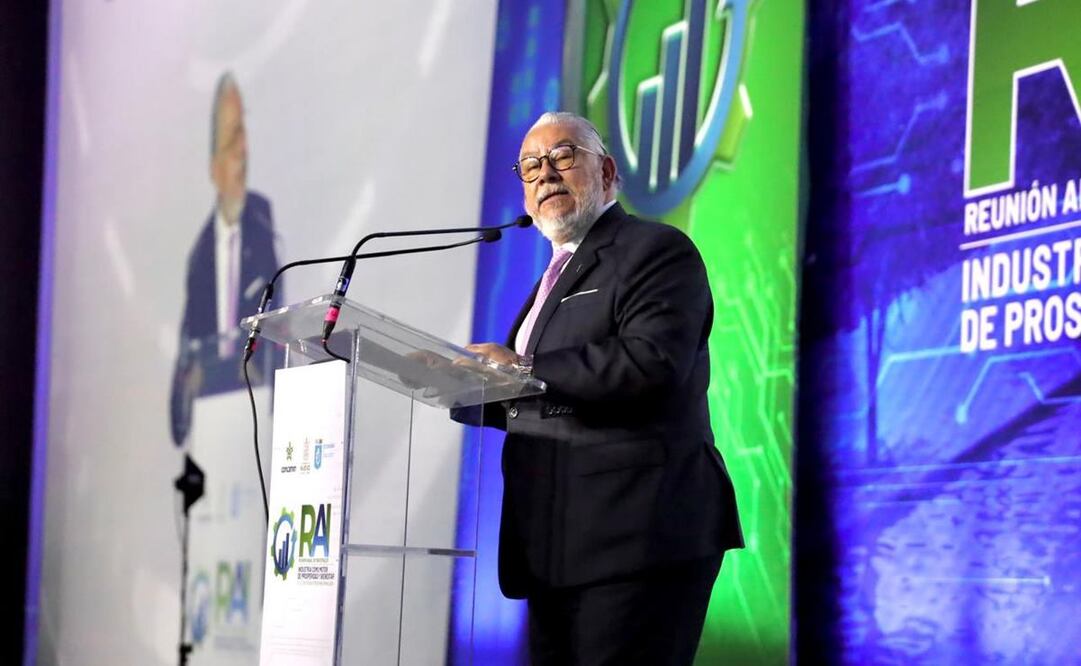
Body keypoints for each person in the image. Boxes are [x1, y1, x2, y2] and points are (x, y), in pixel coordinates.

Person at [460, 111, 744, 665]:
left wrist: (517, 370)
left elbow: (650, 363)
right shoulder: (551, 279)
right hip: (555, 544)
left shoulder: (657, 251)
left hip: (639, 537)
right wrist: (464, 387)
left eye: (564, 156)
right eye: (531, 166)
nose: (546, 174)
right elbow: (550, 396)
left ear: (608, 172)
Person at [169, 72, 281, 446]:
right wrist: (182, 412)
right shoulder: (199, 255)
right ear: (214, 167)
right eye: (234, 140)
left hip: (255, 413)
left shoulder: (263, 223)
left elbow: (278, 323)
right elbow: (189, 344)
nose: (244, 151)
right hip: (210, 421)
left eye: (244, 135)